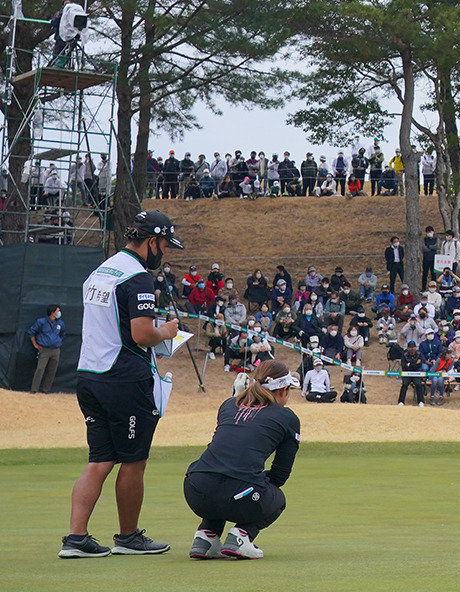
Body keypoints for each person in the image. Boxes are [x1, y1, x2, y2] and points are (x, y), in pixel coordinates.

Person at [60, 210, 184, 559]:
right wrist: (168, 332)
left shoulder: (103, 269)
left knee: (100, 459)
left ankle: (76, 538)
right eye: (164, 245)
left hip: (89, 375)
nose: (164, 253)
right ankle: (128, 537)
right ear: (152, 241)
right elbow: (143, 334)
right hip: (124, 379)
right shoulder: (138, 277)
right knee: (133, 460)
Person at [183, 360, 301, 560]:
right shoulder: (287, 417)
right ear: (283, 390)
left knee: (224, 482)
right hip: (238, 495)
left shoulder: (229, 404)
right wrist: (256, 480)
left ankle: (206, 536)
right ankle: (242, 535)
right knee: (277, 498)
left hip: (195, 489)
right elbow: (280, 475)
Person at [28, 303, 65, 394]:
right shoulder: (41, 322)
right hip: (44, 349)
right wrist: (35, 344)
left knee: (52, 370)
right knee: (40, 369)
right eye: (58, 311)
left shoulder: (60, 323)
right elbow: (31, 332)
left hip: (56, 350)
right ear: (52, 312)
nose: (59, 312)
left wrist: (58, 341)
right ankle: (34, 389)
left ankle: (46, 390)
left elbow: (63, 334)